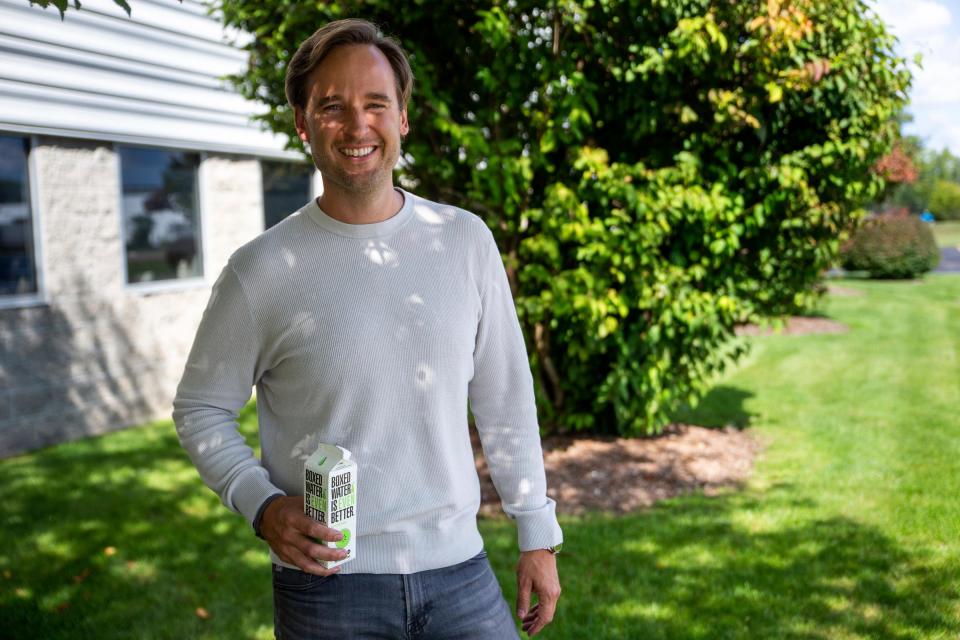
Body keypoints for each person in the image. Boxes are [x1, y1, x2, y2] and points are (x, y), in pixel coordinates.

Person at [173, 18, 562, 640]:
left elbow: (505, 397)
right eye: (332, 107)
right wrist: (262, 505)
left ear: (402, 117)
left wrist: (536, 532)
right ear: (303, 125)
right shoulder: (262, 270)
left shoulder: (463, 242)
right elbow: (199, 408)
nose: (357, 126)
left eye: (375, 103)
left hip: (460, 573)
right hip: (325, 587)